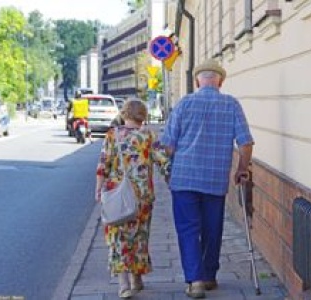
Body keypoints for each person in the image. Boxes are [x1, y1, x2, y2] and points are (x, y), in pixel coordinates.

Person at [161, 59, 254, 299]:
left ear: (196, 82)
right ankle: (210, 275)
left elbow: (168, 146)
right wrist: (242, 168)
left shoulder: (183, 104)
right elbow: (245, 142)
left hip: (183, 178)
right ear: (220, 82)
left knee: (188, 229)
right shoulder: (231, 104)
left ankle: (195, 280)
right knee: (212, 228)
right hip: (214, 180)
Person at [95, 99, 170, 299]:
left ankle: (123, 284)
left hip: (117, 195)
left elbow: (103, 164)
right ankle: (137, 278)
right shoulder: (148, 135)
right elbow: (163, 160)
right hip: (142, 196)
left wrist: (98, 189)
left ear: (124, 114)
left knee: (119, 237)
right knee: (140, 236)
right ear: (143, 116)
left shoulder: (113, 135)